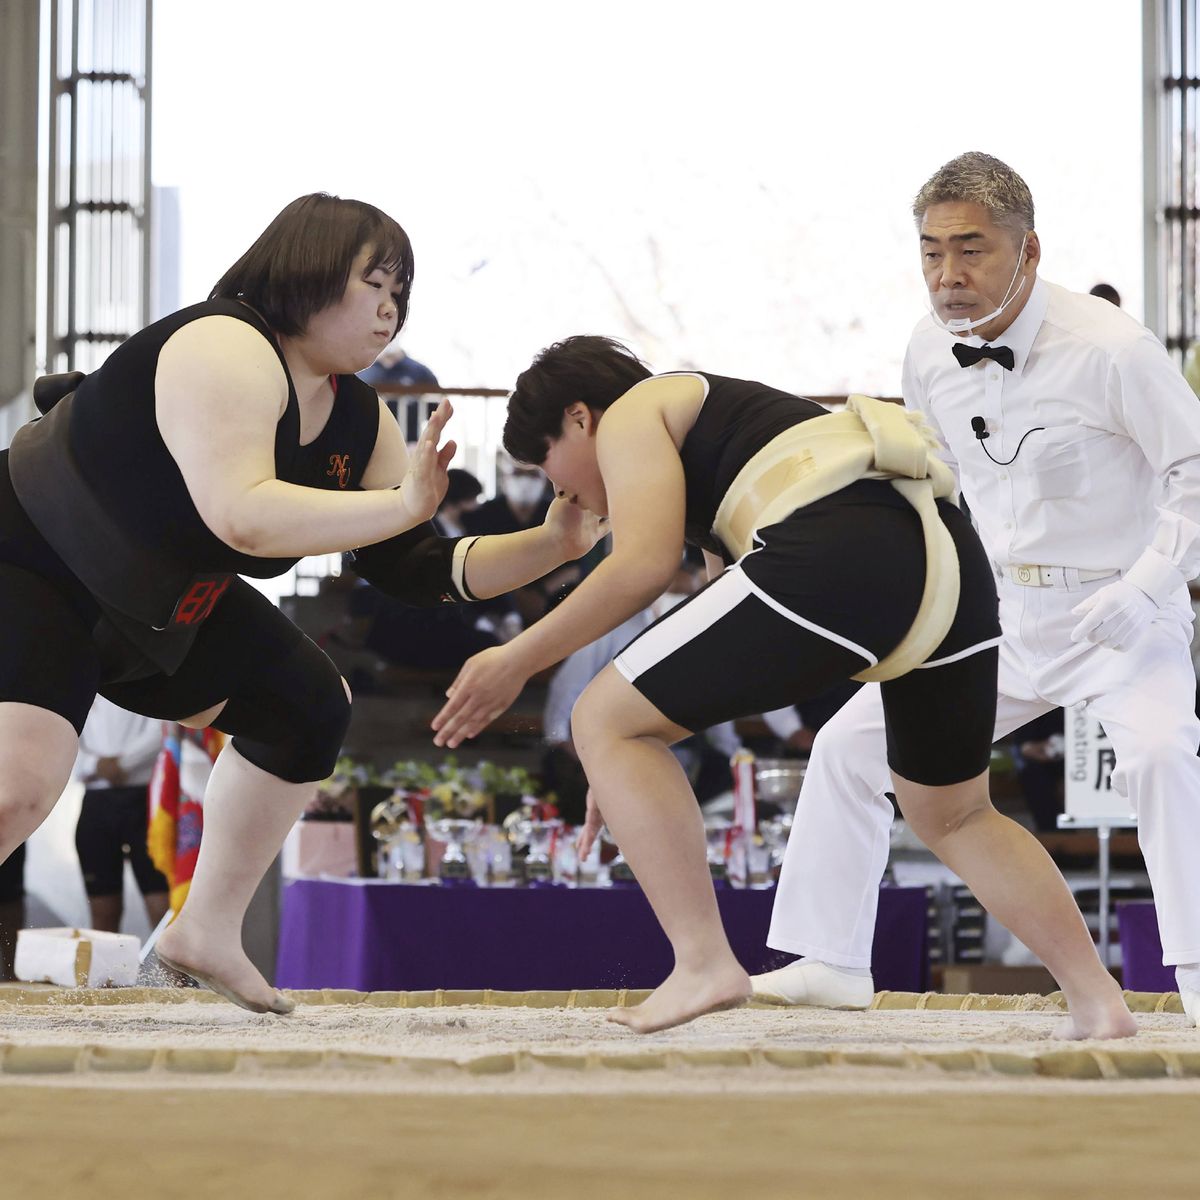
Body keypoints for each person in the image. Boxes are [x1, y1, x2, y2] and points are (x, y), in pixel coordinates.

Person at [0, 193, 606, 1014]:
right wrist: (400, 506)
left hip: (163, 601)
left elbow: (414, 566)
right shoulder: (223, 343)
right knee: (20, 784)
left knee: (308, 705)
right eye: (374, 282)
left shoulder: (358, 416)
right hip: (35, 554)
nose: (391, 307)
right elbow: (241, 514)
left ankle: (203, 933)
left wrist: (550, 546)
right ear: (307, 271)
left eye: (403, 290)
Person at [431, 334, 1134, 1038]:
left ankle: (704, 962)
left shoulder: (634, 411)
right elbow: (715, 649)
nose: (570, 498)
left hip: (842, 545)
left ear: (580, 418)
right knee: (954, 813)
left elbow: (641, 567)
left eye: (556, 475)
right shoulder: (726, 445)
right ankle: (1098, 1000)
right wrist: (625, 760)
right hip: (948, 559)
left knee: (601, 716)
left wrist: (519, 660)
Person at [753, 151, 1200, 1026]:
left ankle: (1198, 974)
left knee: (1159, 756)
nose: (948, 274)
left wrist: (1150, 587)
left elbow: (1195, 469)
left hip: (1120, 612)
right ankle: (829, 958)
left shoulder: (1114, 349)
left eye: (971, 250)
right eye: (930, 252)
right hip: (993, 613)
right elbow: (943, 477)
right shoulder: (927, 346)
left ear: (1028, 251)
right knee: (848, 747)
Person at [74, 696, 169, 932]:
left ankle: (166, 970)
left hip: (145, 797)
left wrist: (123, 764)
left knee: (162, 909)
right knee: (103, 912)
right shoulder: (78, 680)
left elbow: (165, 725)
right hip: (97, 801)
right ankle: (106, 971)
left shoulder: (146, 674)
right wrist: (96, 765)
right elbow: (64, 737)